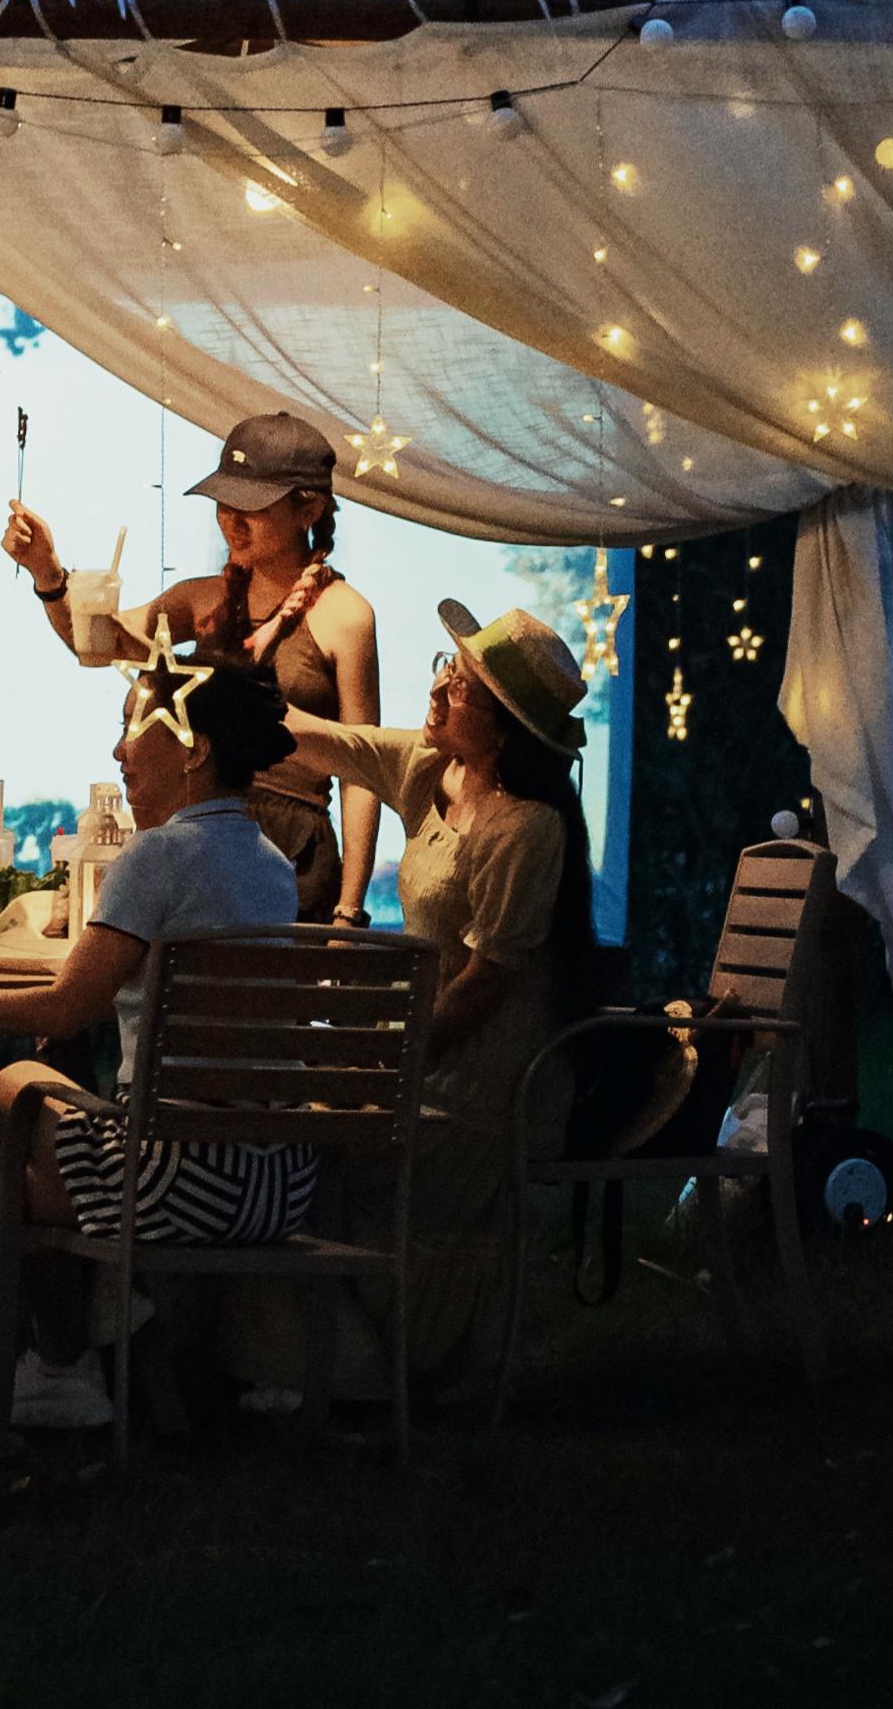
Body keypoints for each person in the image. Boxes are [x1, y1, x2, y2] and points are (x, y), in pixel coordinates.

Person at [0, 659, 307, 1434]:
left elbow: (70, 1003)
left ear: (192, 749)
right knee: (43, 1123)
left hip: (177, 1181)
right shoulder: (267, 862)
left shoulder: (157, 856)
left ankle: (61, 1366)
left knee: (16, 1092)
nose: (119, 752)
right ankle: (104, 1319)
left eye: (132, 729)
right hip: (275, 1177)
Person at [280, 599, 600, 1397]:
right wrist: (217, 686)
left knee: (313, 1139)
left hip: (485, 1084)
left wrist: (386, 1056)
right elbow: (330, 742)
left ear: (501, 727)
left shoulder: (524, 829)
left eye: (457, 685)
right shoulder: (435, 770)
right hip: (425, 1053)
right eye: (446, 671)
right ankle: (323, 1354)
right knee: (299, 1123)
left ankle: (364, 1362)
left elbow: (484, 985)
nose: (437, 689)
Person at [5, 407, 382, 924]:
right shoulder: (197, 599)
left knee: (265, 1001)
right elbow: (92, 642)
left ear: (308, 510)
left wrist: (350, 910)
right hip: (193, 834)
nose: (232, 518)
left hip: (293, 850)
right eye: (224, 502)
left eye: (253, 505)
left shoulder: (345, 615)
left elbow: (363, 770)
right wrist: (47, 572)